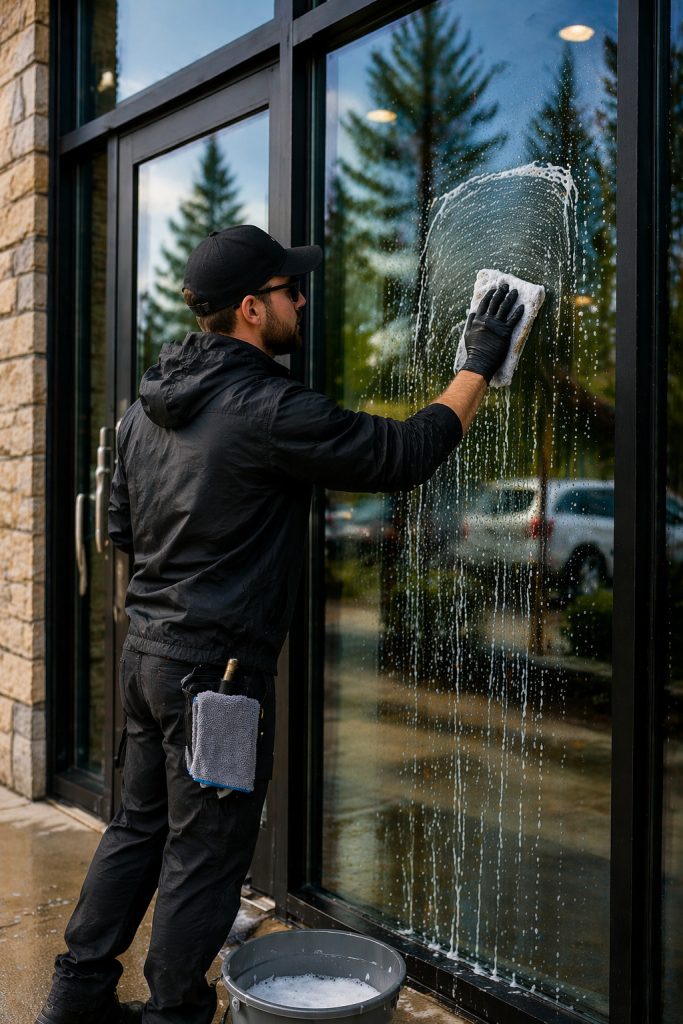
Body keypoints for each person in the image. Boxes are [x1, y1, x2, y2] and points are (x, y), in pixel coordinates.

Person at [37, 225, 523, 1024]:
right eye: (290, 290)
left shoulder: (139, 412)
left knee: (136, 829)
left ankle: (75, 996)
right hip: (218, 678)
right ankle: (173, 1015)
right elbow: (402, 454)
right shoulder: (266, 405)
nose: (303, 299)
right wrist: (476, 363)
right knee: (206, 854)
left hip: (146, 660)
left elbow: (122, 533)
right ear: (252, 309)